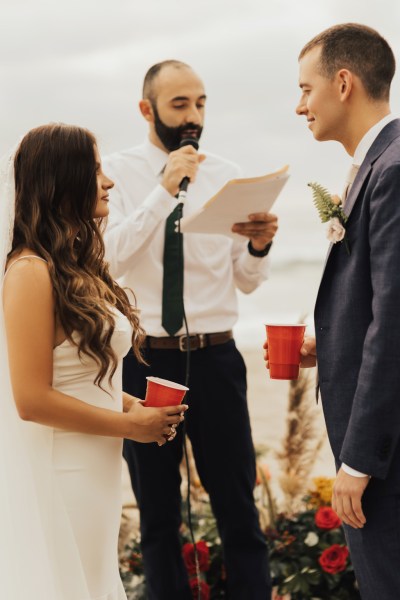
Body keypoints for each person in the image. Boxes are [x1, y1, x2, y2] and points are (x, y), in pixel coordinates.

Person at [103, 60, 278, 599]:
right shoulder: (114, 174)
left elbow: (246, 283)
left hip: (217, 358)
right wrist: (163, 190)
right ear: (146, 109)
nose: (193, 117)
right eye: (180, 104)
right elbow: (110, 261)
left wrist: (258, 246)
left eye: (200, 103)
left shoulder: (227, 174)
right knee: (157, 515)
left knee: (237, 507)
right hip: (145, 361)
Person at [0, 123, 187, 599]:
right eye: (96, 168)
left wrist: (133, 408)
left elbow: (81, 378)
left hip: (99, 469)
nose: (108, 181)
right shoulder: (28, 272)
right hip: (64, 471)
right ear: (64, 179)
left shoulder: (76, 268)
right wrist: (130, 428)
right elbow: (31, 399)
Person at [288, 23, 399, 600]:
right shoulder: (376, 164)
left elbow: (395, 323)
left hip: (386, 455)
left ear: (344, 81)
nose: (299, 105)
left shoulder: (393, 171)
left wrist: (358, 462)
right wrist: (327, 345)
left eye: (306, 89)